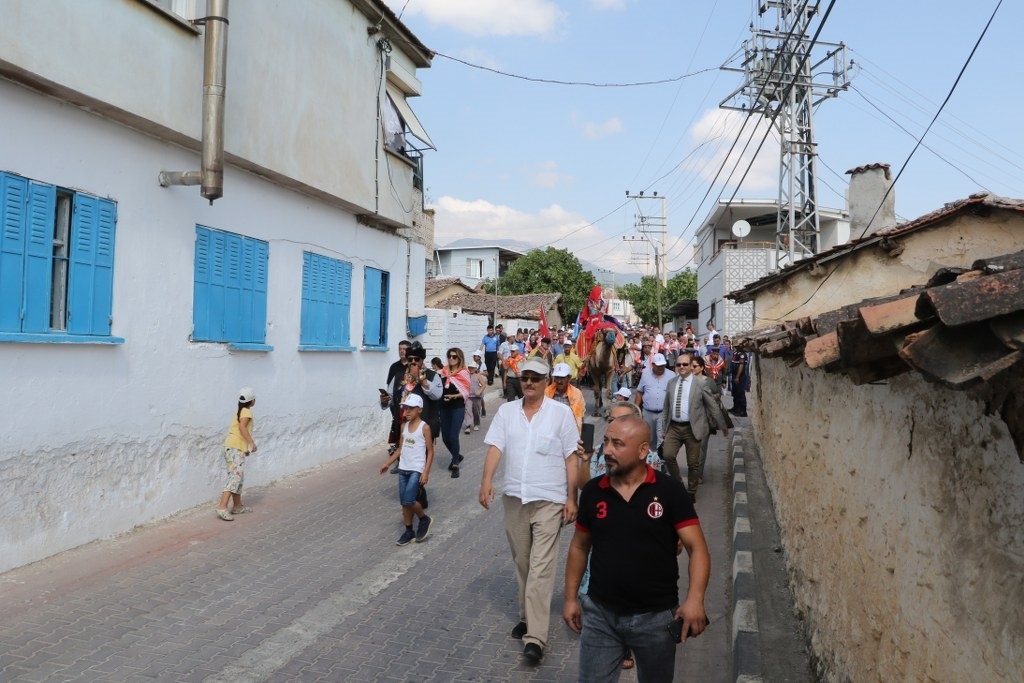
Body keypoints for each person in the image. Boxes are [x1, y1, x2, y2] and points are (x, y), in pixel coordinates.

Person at [563, 414, 710, 682]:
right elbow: (579, 547)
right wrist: (571, 598)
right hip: (600, 616)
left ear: (643, 451)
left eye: (617, 444)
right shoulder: (594, 492)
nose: (607, 450)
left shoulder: (670, 491)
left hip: (656, 619)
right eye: (606, 441)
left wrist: (695, 599)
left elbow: (697, 548)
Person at [479, 357, 579, 664]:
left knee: (540, 568)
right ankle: (526, 616)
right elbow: (495, 446)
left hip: (549, 500)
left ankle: (535, 637)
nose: (530, 382)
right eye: (525, 378)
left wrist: (571, 498)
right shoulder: (507, 412)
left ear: (546, 380)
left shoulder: (561, 413)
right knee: (522, 562)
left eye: (536, 378)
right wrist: (486, 481)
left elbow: (571, 457)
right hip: (515, 498)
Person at [573, 401, 663, 673]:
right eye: (610, 419)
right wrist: (586, 460)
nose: (613, 424)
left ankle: (629, 642)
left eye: (619, 419)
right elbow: (585, 486)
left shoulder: (651, 458)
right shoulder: (601, 452)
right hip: (603, 538)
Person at [660, 352, 728, 501]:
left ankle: (691, 491)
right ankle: (678, 485)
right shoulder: (671, 383)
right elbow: (666, 407)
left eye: (685, 364)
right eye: (678, 364)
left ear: (691, 366)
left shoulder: (700, 383)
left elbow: (712, 405)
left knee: (693, 463)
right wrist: (663, 428)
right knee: (668, 455)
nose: (681, 367)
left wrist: (722, 425)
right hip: (674, 427)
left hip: (693, 428)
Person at [379, 394, 434, 545]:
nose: (407, 411)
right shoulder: (404, 427)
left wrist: (426, 472)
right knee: (404, 503)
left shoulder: (425, 428)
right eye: (405, 408)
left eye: (411, 408)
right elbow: (400, 449)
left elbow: (430, 451)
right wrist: (387, 463)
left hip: (416, 469)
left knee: (408, 500)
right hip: (403, 469)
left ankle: (424, 519)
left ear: (419, 409)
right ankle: (409, 531)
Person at [216, 386, 258, 521]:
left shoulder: (239, 411)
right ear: (252, 401)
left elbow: (237, 431)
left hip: (232, 447)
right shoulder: (247, 412)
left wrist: (244, 448)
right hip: (234, 448)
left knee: (238, 477)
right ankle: (222, 507)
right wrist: (251, 443)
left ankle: (237, 506)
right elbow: (242, 428)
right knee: (234, 477)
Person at [633, 353, 673, 453]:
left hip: (663, 413)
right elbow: (639, 392)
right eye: (658, 366)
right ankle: (649, 458)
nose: (660, 368)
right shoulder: (645, 374)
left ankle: (661, 459)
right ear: (653, 364)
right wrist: (636, 410)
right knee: (648, 437)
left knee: (661, 438)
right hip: (648, 413)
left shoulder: (671, 375)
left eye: (662, 365)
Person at [440, 348, 470, 478]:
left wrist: (454, 396)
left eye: (454, 357)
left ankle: (455, 464)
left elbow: (466, 392)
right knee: (445, 437)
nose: (451, 359)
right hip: (444, 407)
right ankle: (457, 455)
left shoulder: (464, 372)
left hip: (457, 407)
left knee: (453, 436)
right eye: (449, 356)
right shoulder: (443, 371)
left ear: (459, 358)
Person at [385, 340, 412, 452]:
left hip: (409, 404)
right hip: (396, 403)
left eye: (404, 349)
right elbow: (390, 386)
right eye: (400, 349)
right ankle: (398, 449)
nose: (402, 351)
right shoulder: (394, 367)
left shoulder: (413, 366)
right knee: (397, 425)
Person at [546, 362, 586, 433]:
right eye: (557, 377)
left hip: (569, 431)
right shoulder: (546, 392)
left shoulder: (577, 394)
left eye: (562, 378)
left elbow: (580, 417)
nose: (559, 381)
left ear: (569, 378)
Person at [729, 346, 750, 418]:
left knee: (740, 393)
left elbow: (741, 366)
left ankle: (743, 411)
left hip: (740, 376)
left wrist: (737, 377)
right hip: (734, 374)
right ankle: (736, 408)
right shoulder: (736, 353)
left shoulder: (742, 354)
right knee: (735, 393)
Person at [464, 362, 485, 434]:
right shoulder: (466, 376)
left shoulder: (478, 376)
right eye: (469, 367)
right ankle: (468, 426)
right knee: (468, 410)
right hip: (468, 396)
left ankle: (476, 424)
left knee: (476, 411)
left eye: (472, 368)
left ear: (475, 368)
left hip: (477, 397)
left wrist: (479, 391)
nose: (471, 369)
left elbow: (483, 385)